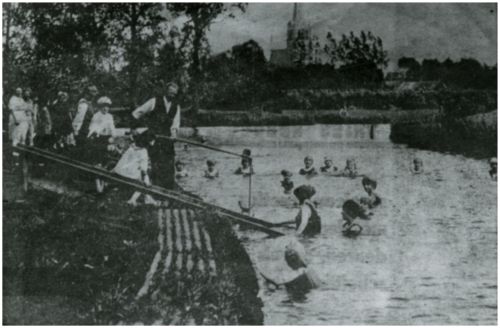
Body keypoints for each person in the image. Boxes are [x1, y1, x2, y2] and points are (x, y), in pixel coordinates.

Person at [131, 82, 181, 190]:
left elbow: (175, 124)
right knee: (156, 161)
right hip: (153, 136)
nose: (172, 96)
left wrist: (174, 134)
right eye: (170, 93)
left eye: (174, 94)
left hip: (167, 138)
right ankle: (155, 188)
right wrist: (134, 129)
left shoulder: (176, 106)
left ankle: (168, 189)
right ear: (166, 91)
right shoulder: (154, 101)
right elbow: (137, 113)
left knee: (169, 162)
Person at [112, 132, 157, 206]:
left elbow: (122, 160)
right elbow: (144, 168)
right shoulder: (143, 151)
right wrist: (146, 180)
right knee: (144, 182)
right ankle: (133, 199)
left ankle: (148, 198)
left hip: (119, 171)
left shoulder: (131, 147)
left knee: (140, 174)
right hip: (129, 175)